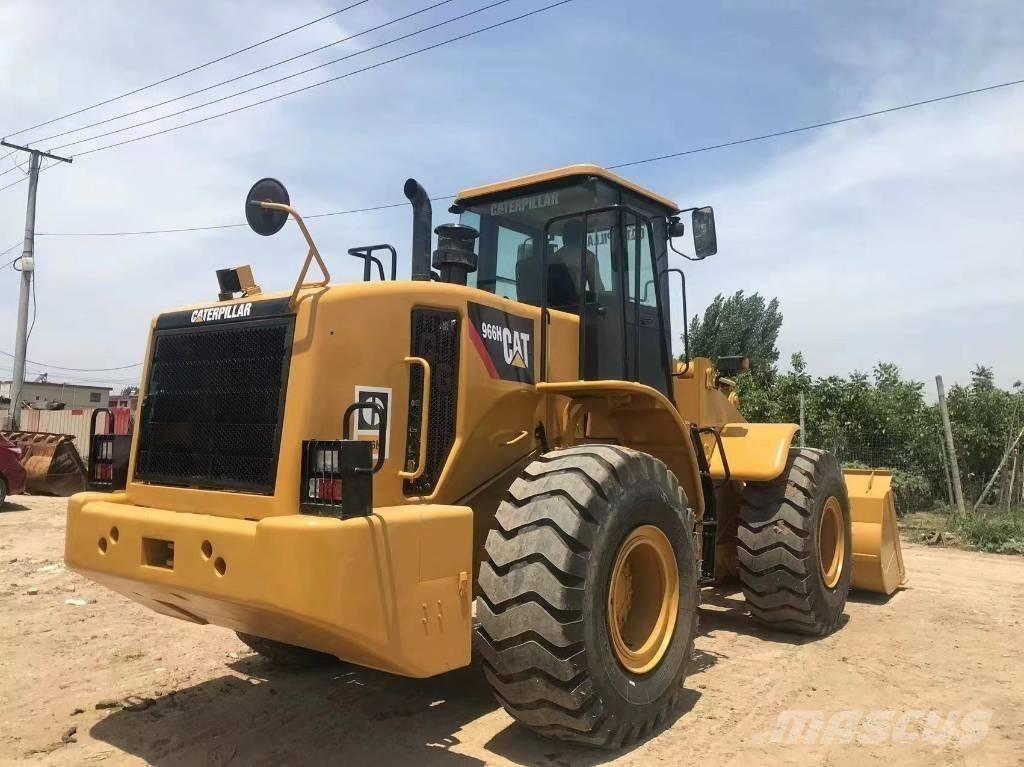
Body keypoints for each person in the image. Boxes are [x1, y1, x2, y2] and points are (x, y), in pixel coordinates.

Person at [550, 218, 604, 300]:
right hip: (576, 305)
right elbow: (597, 291)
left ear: (564, 237)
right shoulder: (589, 257)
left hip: (550, 306)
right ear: (581, 236)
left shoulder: (553, 257)